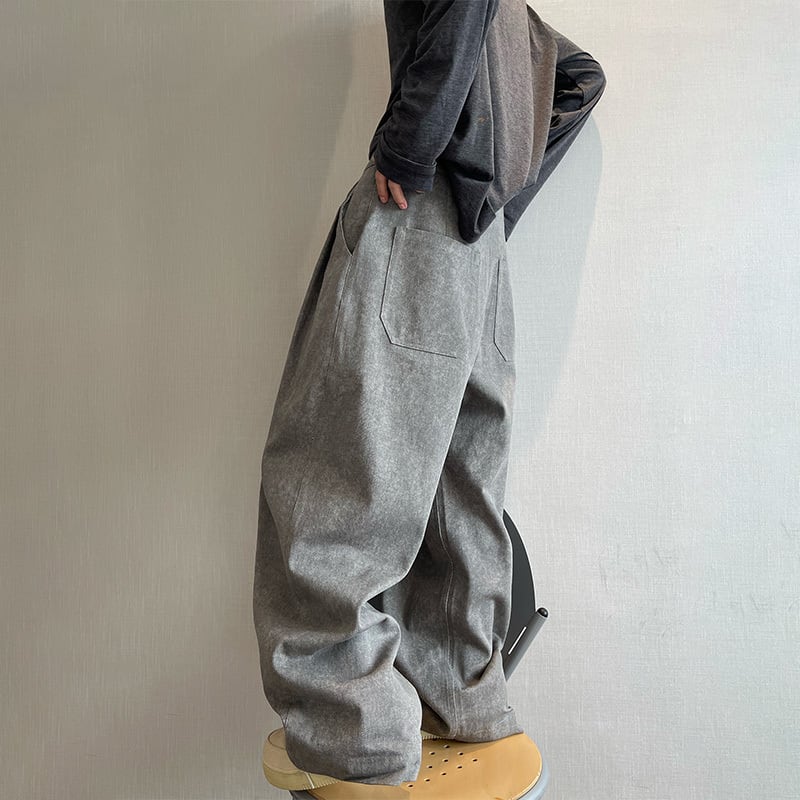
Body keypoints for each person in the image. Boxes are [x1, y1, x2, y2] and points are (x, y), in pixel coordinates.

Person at [253, 1, 606, 797]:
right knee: (456, 488)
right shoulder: (516, 24)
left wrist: (410, 147)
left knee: (332, 486)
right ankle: (462, 702)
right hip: (477, 250)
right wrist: (494, 200)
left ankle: (357, 740)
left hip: (415, 218)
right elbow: (578, 78)